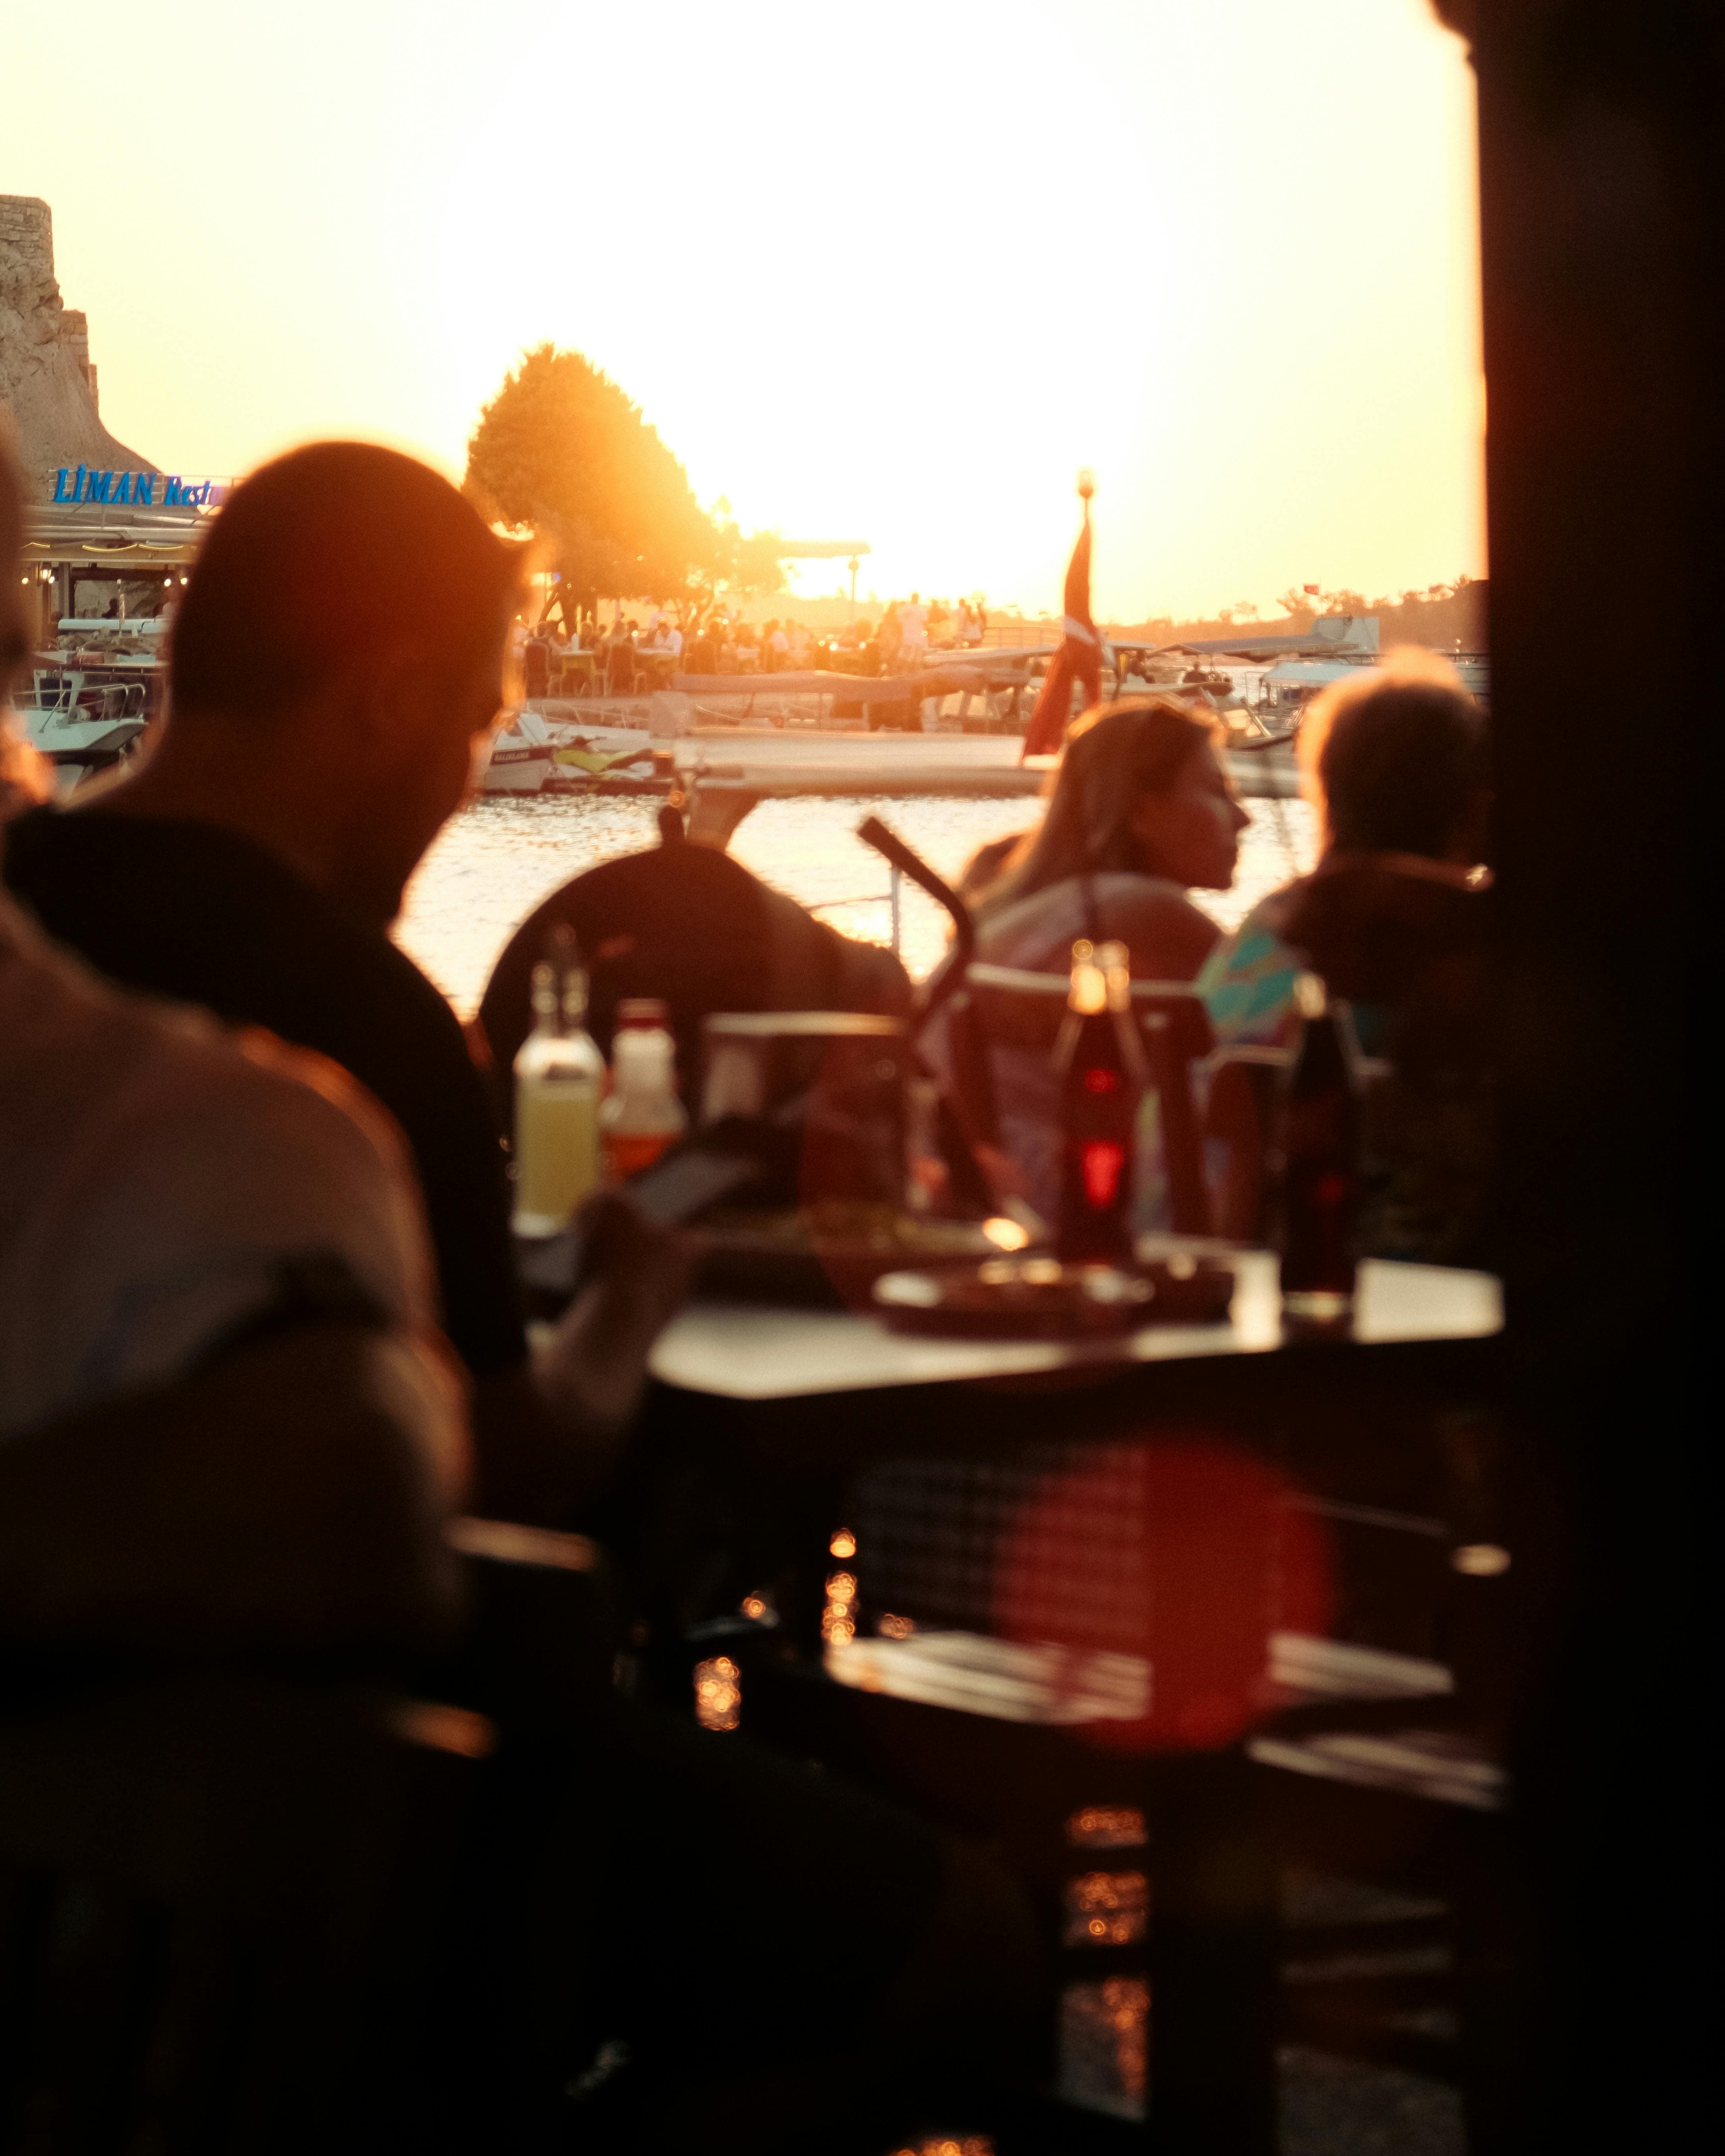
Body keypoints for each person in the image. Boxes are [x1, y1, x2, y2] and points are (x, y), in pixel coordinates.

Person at [4, 444, 686, 1526]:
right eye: (479, 725)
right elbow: (504, 1456)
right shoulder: (360, 1031)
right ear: (391, 699)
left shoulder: (20, 916)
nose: (466, 778)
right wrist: (635, 1299)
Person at [1198, 651, 1494, 1258]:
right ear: (1471, 805)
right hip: (1337, 1260)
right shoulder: (1434, 958)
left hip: (1194, 1238)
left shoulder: (1272, 927)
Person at [951, 696, 1249, 1223]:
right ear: (1144, 813)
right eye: (1218, 792)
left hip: (977, 1185)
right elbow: (1276, 1033)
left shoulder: (1026, 905)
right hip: (1074, 1201)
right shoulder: (1146, 911)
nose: (1243, 817)